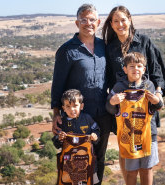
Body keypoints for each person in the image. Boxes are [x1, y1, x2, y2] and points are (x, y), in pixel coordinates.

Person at [102, 5, 165, 183]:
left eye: (123, 19)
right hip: (123, 111)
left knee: (146, 161)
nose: (120, 24)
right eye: (115, 21)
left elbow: (157, 70)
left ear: (130, 20)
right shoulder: (110, 47)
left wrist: (159, 92)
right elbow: (107, 78)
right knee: (126, 154)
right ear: (111, 24)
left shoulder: (144, 41)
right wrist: (111, 100)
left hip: (144, 108)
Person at [51, 4, 111, 184]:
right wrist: (56, 114)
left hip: (102, 115)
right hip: (77, 117)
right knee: (73, 159)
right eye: (83, 20)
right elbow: (58, 84)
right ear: (77, 23)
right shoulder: (67, 50)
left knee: (98, 159)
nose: (88, 23)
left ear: (98, 22)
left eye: (92, 19)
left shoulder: (104, 47)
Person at [106, 52, 163, 185]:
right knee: (131, 171)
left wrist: (156, 100)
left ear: (144, 69)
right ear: (125, 69)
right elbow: (110, 109)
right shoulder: (119, 87)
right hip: (128, 136)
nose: (135, 69)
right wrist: (113, 102)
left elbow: (158, 107)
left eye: (139, 66)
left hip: (148, 135)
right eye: (131, 66)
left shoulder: (149, 86)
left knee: (147, 169)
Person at [52, 89, 100, 184]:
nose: (72, 109)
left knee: (92, 181)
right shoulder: (62, 123)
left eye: (75, 106)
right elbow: (56, 143)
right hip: (69, 165)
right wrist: (59, 138)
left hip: (88, 163)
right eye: (68, 107)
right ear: (63, 108)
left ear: (81, 106)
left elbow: (97, 131)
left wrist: (95, 137)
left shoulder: (87, 119)